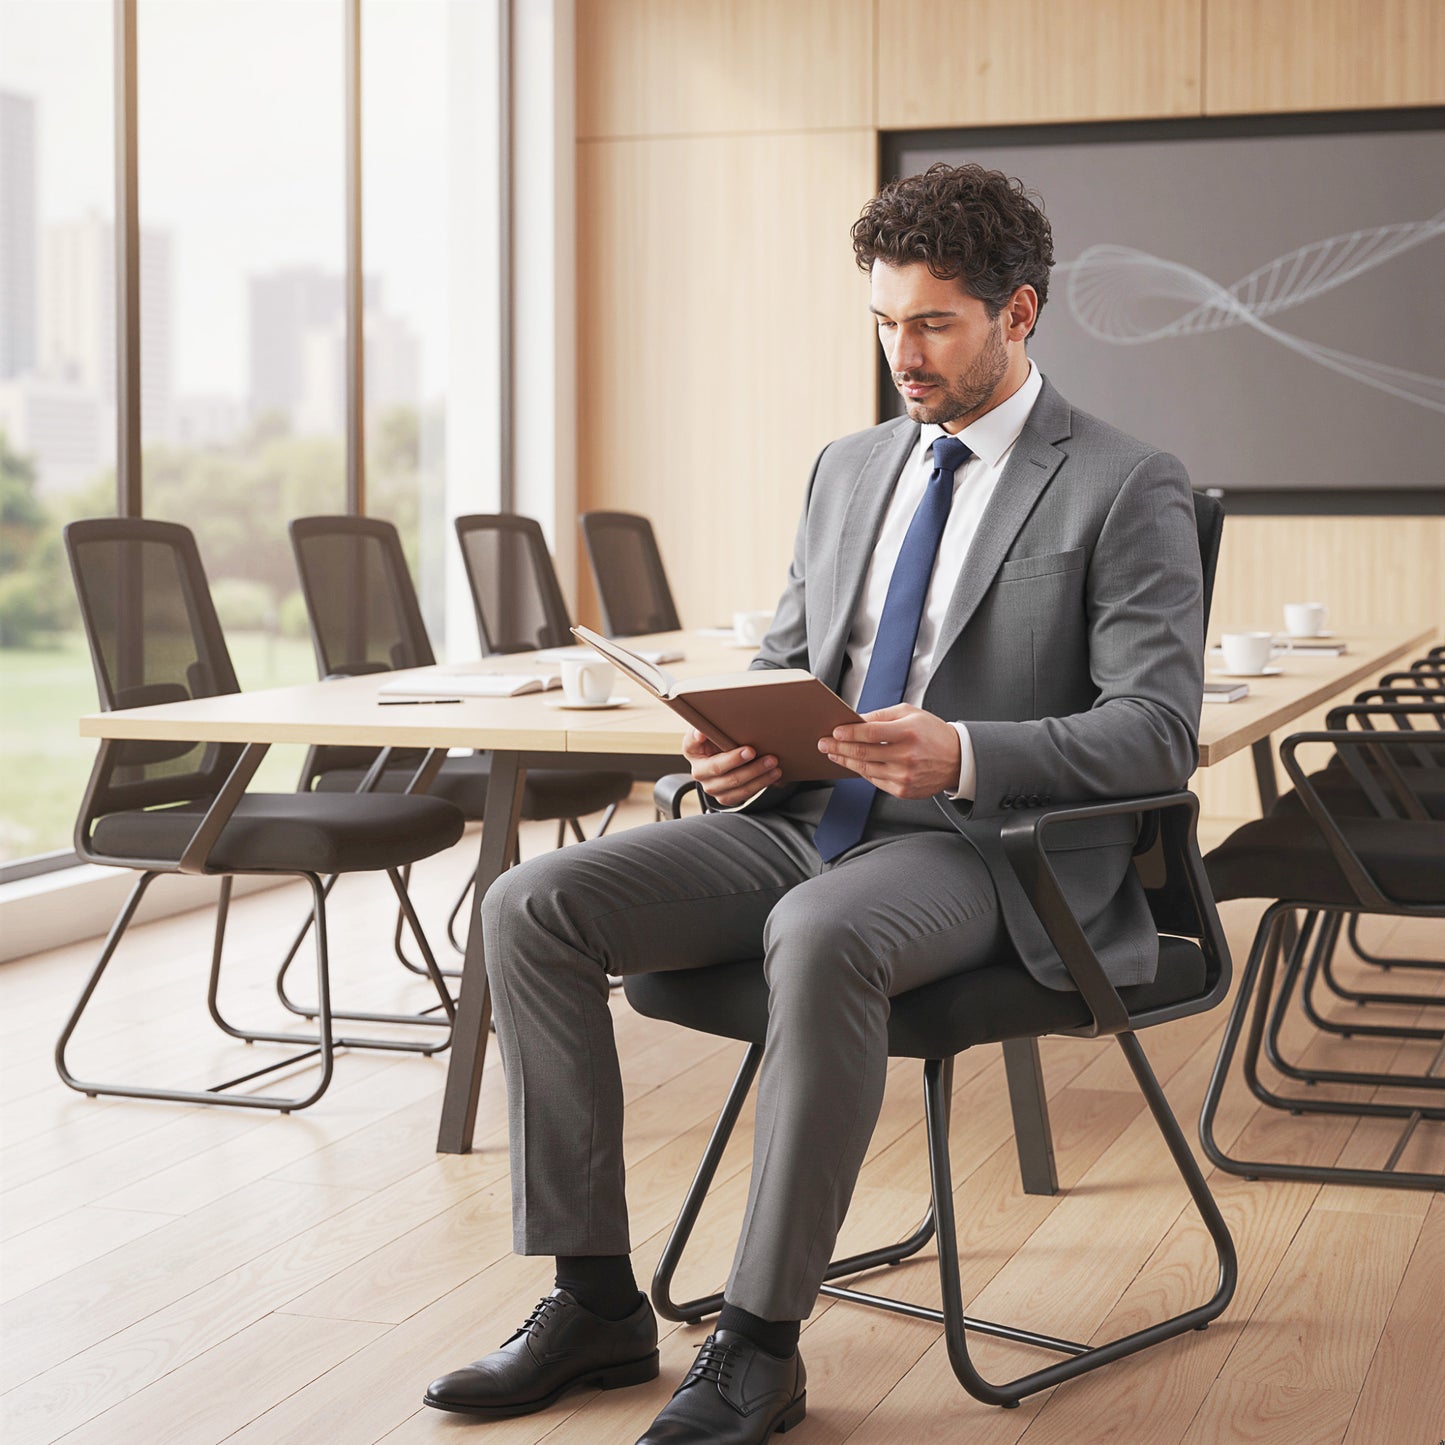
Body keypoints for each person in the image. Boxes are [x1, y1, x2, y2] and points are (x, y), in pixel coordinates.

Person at [424, 162, 1204, 1443]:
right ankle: (596, 1298)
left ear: (1017, 313)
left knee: (820, 930)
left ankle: (758, 1338)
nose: (902, 353)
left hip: (979, 848)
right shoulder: (846, 467)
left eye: (932, 323)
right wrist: (731, 751)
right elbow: (789, 661)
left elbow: (1156, 730)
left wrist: (964, 750)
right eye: (884, 322)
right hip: (803, 820)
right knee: (529, 902)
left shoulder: (1122, 481)